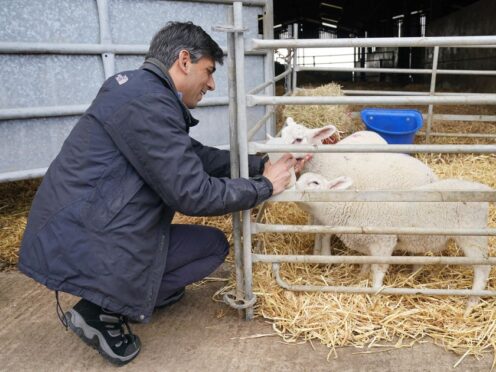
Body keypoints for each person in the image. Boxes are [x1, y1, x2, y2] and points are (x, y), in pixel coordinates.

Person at [18, 22, 308, 365]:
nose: (212, 84)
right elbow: (194, 194)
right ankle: (99, 313)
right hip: (90, 236)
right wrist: (265, 186)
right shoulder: (147, 101)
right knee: (209, 248)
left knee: (210, 247)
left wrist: (259, 164)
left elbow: (193, 156)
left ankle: (133, 293)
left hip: (93, 223)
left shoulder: (143, 94)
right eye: (209, 71)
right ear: (184, 61)